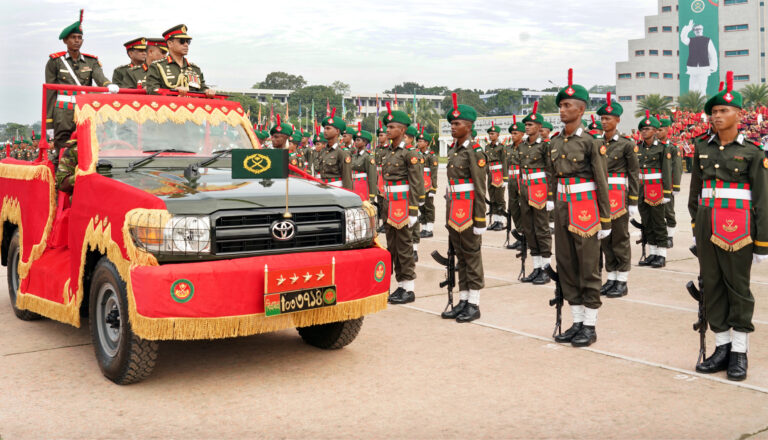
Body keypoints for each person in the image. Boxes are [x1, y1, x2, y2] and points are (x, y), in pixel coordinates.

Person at [689, 71, 768, 381]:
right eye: (714, 111)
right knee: (713, 285)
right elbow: (695, 194)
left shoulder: (752, 152)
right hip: (708, 225)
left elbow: (762, 201)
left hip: (739, 226)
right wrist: (697, 228)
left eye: (724, 111)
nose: (717, 116)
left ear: (739, 114)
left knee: (738, 287)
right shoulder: (702, 148)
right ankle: (721, 348)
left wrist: (762, 242)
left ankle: (739, 351)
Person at [548, 69, 611, 347]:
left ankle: (590, 325)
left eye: (567, 105)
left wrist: (605, 219)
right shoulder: (554, 141)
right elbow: (552, 177)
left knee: (588, 266)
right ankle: (576, 321)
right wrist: (553, 210)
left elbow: (601, 180)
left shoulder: (590, 142)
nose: (562, 110)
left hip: (585, 208)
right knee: (566, 265)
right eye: (561, 105)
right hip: (562, 206)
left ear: (581, 109)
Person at [45, 9, 117, 163]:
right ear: (65, 40)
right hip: (63, 111)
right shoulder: (55, 61)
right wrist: (48, 121)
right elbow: (50, 93)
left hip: (84, 109)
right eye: (73, 38)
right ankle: (61, 181)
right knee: (62, 149)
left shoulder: (91, 61)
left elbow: (99, 77)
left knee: (86, 145)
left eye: (80, 37)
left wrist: (108, 85)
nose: (77, 40)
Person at [440, 94, 487, 323]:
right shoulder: (454, 150)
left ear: (468, 127)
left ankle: (474, 303)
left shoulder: (474, 152)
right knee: (460, 255)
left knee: (471, 255)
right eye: (452, 123)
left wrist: (480, 219)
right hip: (454, 208)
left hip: (468, 209)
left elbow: (480, 188)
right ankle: (463, 299)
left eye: (457, 124)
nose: (453, 127)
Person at [380, 104, 424, 304]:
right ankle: (400, 285)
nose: (387, 130)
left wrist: (413, 210)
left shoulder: (410, 153)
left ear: (403, 130)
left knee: (404, 247)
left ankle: (408, 288)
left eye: (391, 127)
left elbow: (417, 183)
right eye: (387, 127)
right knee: (393, 247)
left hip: (403, 205)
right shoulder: (389, 152)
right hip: (390, 205)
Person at [597, 93, 640, 298]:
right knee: (605, 238)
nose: (604, 122)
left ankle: (622, 281)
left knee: (620, 238)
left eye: (608, 118)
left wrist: (633, 200)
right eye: (602, 119)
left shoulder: (626, 144)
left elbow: (633, 173)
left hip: (619, 197)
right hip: (602, 196)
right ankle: (611, 277)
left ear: (617, 120)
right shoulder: (596, 143)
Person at [518, 102, 552, 284]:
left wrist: (550, 195)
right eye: (526, 125)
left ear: (539, 127)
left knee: (542, 229)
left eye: (530, 125)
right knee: (529, 229)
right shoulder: (522, 146)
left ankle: (546, 269)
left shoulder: (546, 145)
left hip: (540, 190)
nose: (527, 127)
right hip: (525, 189)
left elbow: (551, 170)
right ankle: (536, 266)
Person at [637, 111, 672, 268]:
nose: (644, 131)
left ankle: (662, 254)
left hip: (656, 188)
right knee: (646, 221)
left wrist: (666, 192)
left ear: (655, 131)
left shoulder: (663, 148)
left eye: (648, 129)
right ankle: (652, 252)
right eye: (642, 129)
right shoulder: (637, 148)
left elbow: (666, 171)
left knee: (658, 221)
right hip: (641, 188)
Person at [144, 24, 215, 98]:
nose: (186, 44)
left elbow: (202, 89)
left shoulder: (195, 69)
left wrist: (208, 91)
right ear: (170, 44)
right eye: (182, 41)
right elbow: (152, 91)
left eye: (188, 42)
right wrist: (174, 91)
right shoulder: (157, 67)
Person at [657, 115, 682, 248]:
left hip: (668, 186)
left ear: (667, 130)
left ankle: (670, 236)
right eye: (656, 129)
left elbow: (677, 168)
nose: (657, 132)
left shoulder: (673, 148)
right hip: (654, 185)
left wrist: (676, 186)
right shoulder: (653, 146)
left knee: (669, 212)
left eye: (660, 129)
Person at [680, 20, 718, 95]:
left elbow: (713, 54)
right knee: (692, 88)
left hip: (704, 68)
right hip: (692, 68)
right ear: (693, 31)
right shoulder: (690, 40)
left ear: (702, 30)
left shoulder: (707, 40)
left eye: (700, 29)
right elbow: (683, 38)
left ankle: (702, 105)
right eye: (696, 29)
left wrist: (712, 67)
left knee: (702, 88)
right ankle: (692, 105)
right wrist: (688, 28)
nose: (698, 31)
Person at [505, 116, 526, 250]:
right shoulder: (507, 148)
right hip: (512, 181)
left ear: (522, 134)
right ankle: (520, 235)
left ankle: (527, 237)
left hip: (522, 180)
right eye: (512, 133)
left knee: (524, 208)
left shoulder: (525, 148)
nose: (513, 136)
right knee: (513, 208)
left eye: (515, 133)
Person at [320, 108, 353, 190]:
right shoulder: (324, 150)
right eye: (324, 128)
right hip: (323, 188)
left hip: (337, 189)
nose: (325, 131)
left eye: (328, 128)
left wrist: (347, 196)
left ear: (337, 131)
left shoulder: (342, 152)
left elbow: (347, 178)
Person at [486, 122, 507, 231]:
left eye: (493, 133)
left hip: (499, 174)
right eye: (490, 133)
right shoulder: (487, 147)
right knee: (492, 197)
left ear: (498, 135)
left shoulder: (501, 147)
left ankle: (502, 221)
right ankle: (495, 220)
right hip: (490, 174)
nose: (491, 135)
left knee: (500, 198)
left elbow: (504, 162)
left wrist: (505, 178)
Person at [419, 133, 439, 238]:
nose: (418, 143)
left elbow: (434, 173)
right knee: (421, 206)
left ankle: (429, 229)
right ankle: (424, 227)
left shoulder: (431, 156)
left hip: (428, 185)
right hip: (420, 184)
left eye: (421, 141)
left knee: (429, 207)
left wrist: (433, 188)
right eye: (418, 141)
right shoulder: (417, 154)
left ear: (426, 143)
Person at [351, 125, 377, 202]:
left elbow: (372, 177)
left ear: (365, 142)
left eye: (358, 140)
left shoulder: (368, 156)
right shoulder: (354, 155)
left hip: (363, 186)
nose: (355, 142)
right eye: (355, 140)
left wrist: (372, 195)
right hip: (354, 185)